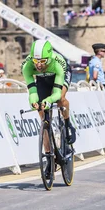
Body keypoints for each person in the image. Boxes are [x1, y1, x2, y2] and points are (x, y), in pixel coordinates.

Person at [22, 40, 75, 178]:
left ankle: (68, 124)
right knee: (43, 115)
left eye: (43, 61)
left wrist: (49, 100)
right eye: (36, 61)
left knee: (60, 99)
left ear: (49, 58)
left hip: (59, 76)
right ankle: (49, 158)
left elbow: (56, 93)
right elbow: (32, 92)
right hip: (43, 79)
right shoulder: (27, 65)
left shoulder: (58, 63)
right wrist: (34, 102)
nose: (38, 65)